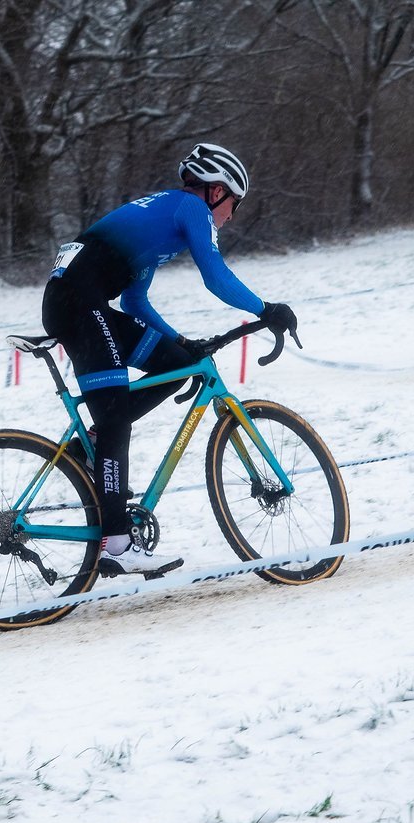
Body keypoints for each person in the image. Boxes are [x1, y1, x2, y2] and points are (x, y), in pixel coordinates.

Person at [41, 143, 298, 576]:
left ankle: (91, 450)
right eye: (234, 204)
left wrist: (180, 341)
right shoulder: (190, 210)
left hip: (81, 302)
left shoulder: (160, 220)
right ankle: (117, 545)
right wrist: (266, 309)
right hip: (79, 305)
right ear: (217, 192)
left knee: (172, 365)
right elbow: (216, 277)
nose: (231, 216)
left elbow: (135, 301)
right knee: (115, 419)